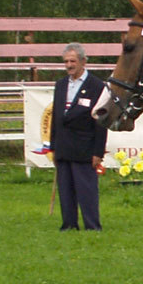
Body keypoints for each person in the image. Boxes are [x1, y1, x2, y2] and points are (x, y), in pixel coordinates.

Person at [50, 43, 108, 230]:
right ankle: (69, 224)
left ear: (83, 61)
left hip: (85, 148)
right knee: (65, 190)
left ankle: (92, 225)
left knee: (86, 190)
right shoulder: (60, 85)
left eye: (72, 61)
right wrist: (53, 146)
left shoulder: (97, 86)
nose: (69, 65)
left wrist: (98, 152)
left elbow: (101, 122)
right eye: (66, 61)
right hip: (63, 146)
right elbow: (56, 118)